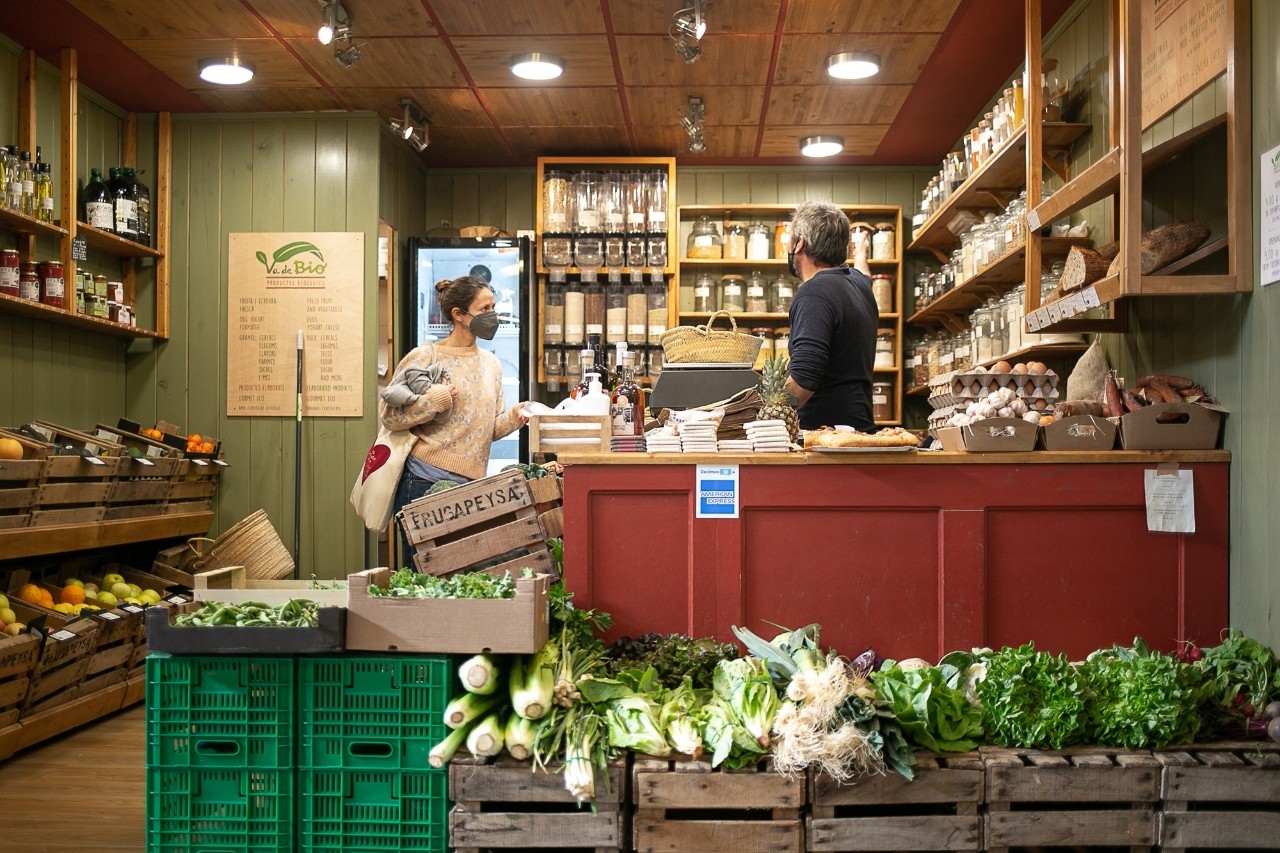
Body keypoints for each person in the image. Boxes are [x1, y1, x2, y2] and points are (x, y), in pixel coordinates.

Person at [380, 275, 528, 561]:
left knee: (460, 572)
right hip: (423, 481)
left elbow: (488, 430)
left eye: (493, 307)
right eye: (484, 309)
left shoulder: (492, 364)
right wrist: (433, 402)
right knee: (424, 575)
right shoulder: (427, 356)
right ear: (458, 314)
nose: (493, 316)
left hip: (472, 487)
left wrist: (516, 415)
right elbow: (389, 416)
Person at [783, 200, 878, 432]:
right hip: (859, 431)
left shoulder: (814, 292)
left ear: (799, 243)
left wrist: (762, 415)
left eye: (789, 237)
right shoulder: (859, 284)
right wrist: (861, 253)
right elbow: (864, 273)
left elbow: (805, 375)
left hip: (823, 437)